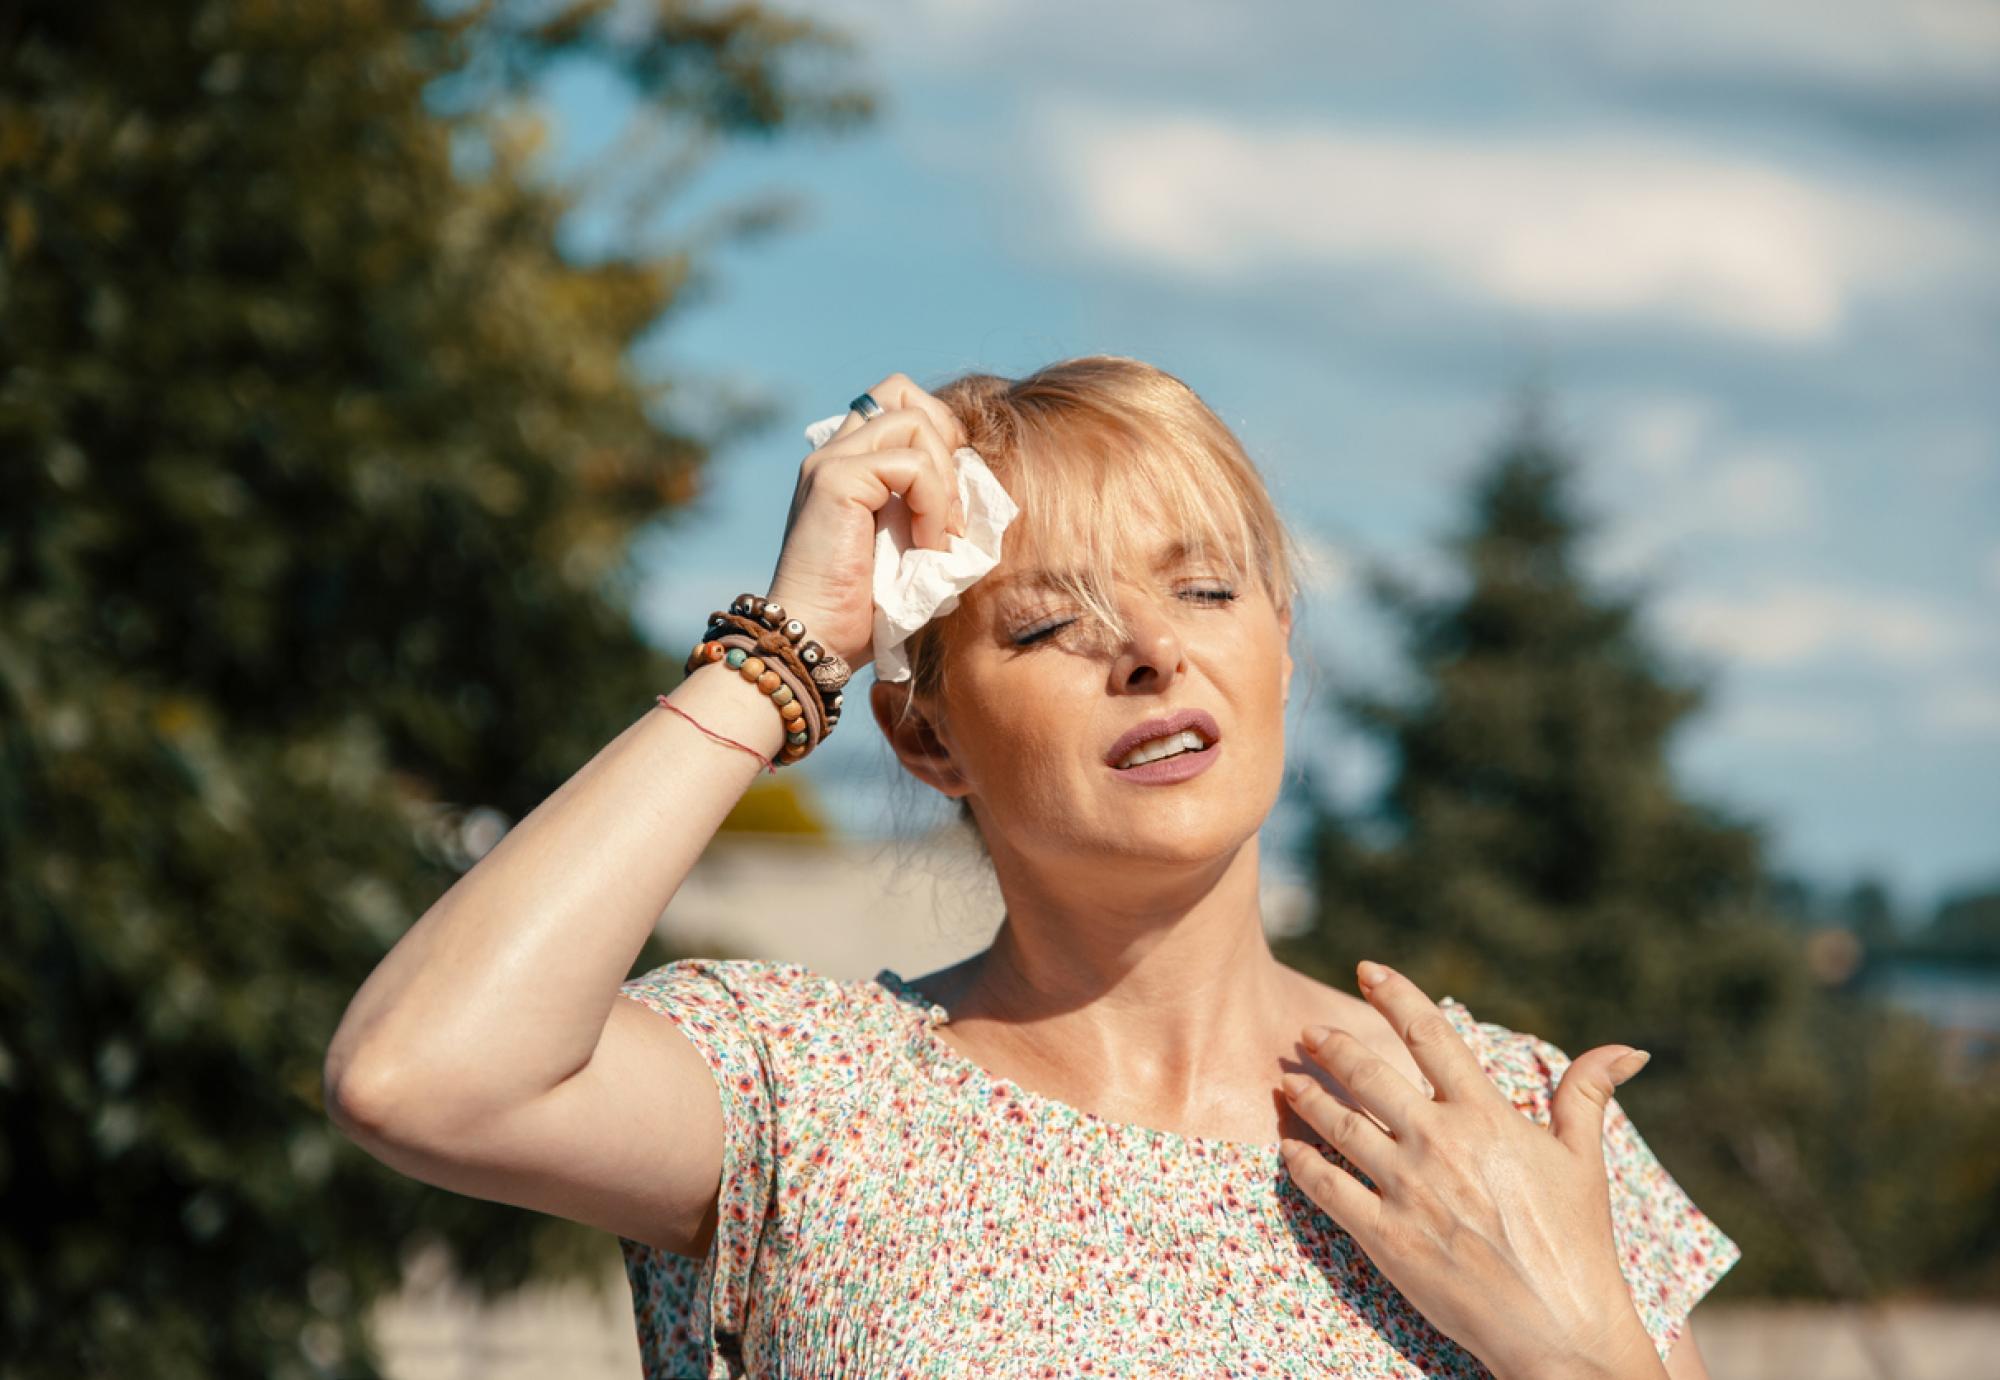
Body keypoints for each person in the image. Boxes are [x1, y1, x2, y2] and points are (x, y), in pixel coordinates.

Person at [325, 359, 1739, 1378]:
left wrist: (1582, 1357)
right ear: (925, 734)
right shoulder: (805, 1094)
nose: (1152, 651)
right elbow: (417, 1075)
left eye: (1205, 590)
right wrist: (785, 653)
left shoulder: (1504, 1121)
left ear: (1282, 643)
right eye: (1052, 624)